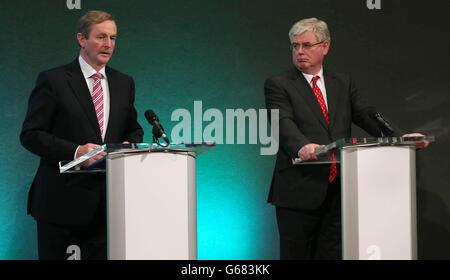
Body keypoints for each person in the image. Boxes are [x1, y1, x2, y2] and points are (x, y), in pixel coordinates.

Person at [264, 17, 428, 260]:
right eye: (295, 46)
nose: (299, 51)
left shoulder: (342, 83)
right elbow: (282, 123)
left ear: (325, 46)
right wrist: (302, 146)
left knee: (331, 253)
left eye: (306, 45)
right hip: (299, 189)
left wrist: (399, 138)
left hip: (338, 190)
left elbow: (367, 116)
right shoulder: (278, 85)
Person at [20, 10, 144, 260]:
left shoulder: (124, 82)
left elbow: (133, 128)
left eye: (113, 38)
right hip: (61, 204)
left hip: (108, 207)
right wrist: (76, 152)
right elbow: (31, 134)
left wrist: (128, 144)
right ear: (81, 39)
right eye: (100, 37)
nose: (108, 44)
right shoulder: (54, 80)